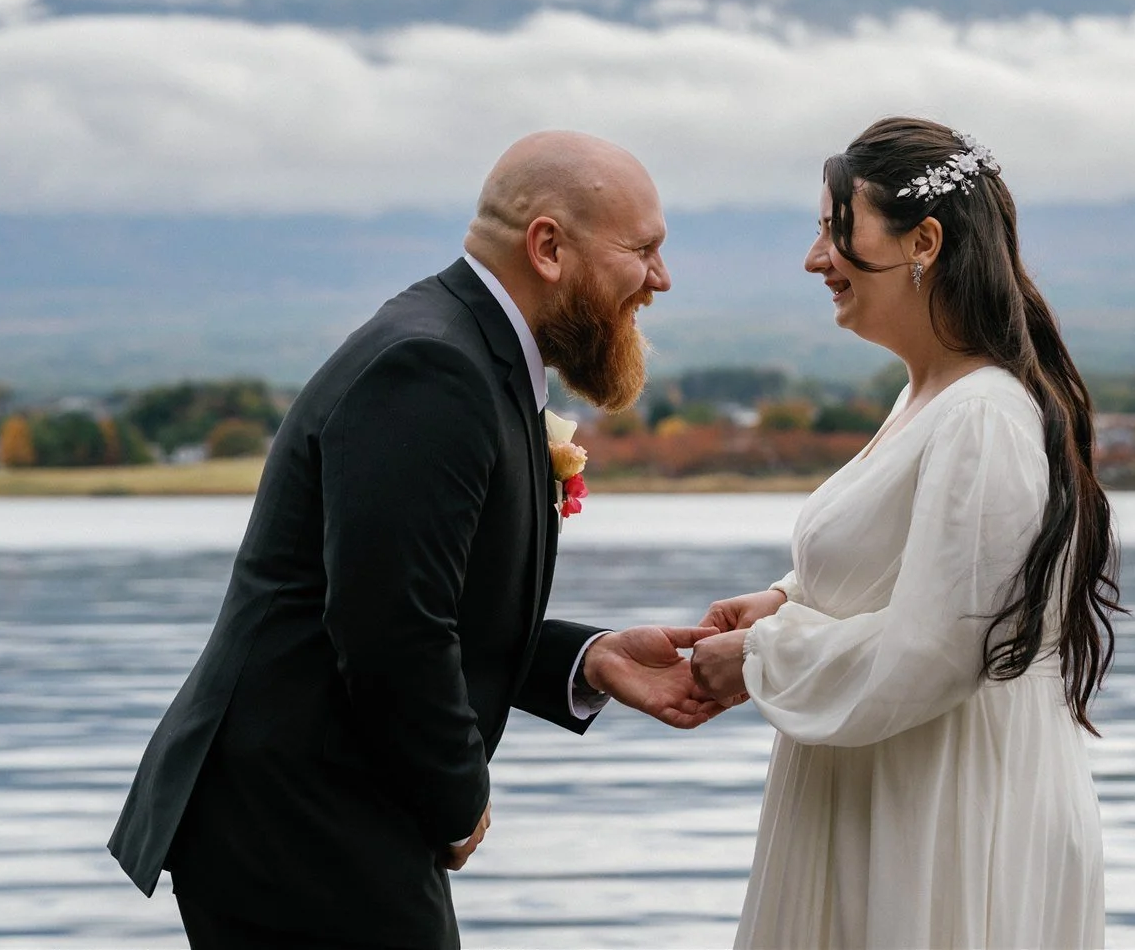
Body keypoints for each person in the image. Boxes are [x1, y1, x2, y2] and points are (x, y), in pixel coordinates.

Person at [109, 131, 724, 950]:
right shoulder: (432, 367)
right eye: (642, 249)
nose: (660, 278)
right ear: (548, 247)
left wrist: (587, 659)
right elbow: (389, 627)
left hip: (327, 809)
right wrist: (458, 797)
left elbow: (416, 598)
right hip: (299, 823)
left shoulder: (469, 352)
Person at [690, 116, 1122, 949]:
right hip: (890, 793)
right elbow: (913, 569)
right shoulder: (926, 397)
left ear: (924, 240)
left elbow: (940, 650)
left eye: (836, 230)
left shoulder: (985, 416)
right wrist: (784, 597)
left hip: (942, 815)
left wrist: (757, 657)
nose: (817, 259)